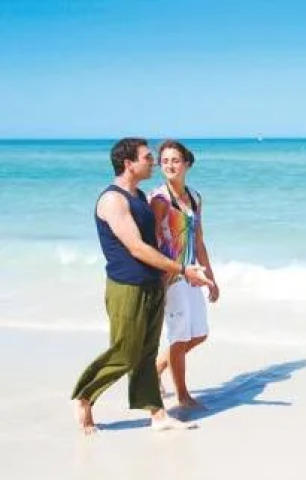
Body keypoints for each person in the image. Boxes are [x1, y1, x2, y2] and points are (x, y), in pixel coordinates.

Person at [71, 138, 213, 434]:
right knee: (126, 352)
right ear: (129, 164)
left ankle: (157, 415)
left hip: (152, 282)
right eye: (148, 157)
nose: (154, 162)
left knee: (148, 352)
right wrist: (181, 270)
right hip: (128, 285)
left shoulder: (137, 195)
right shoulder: (113, 200)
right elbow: (136, 247)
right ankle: (84, 396)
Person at [150, 140, 219, 410]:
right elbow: (152, 240)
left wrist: (211, 278)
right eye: (165, 161)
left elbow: (198, 241)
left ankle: (156, 369)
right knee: (178, 338)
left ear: (187, 164)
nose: (169, 165)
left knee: (199, 334)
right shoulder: (159, 199)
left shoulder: (195, 197)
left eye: (175, 160)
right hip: (170, 275)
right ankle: (182, 396)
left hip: (191, 273)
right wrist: (159, 277)